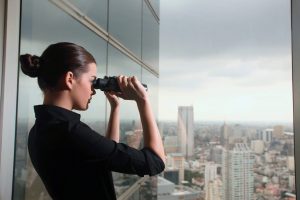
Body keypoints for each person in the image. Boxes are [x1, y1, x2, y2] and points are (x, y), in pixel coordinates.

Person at [19, 42, 166, 200]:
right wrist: (143, 100)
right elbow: (155, 162)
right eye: (92, 81)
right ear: (69, 79)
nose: (93, 90)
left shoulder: (40, 130)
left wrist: (115, 108)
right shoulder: (71, 133)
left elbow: (103, 155)